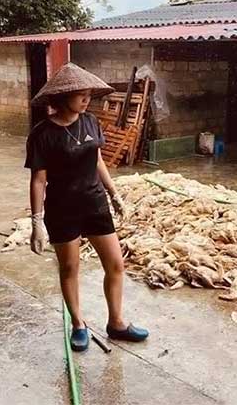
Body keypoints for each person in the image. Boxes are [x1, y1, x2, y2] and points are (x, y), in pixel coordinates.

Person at [25, 62, 148, 352]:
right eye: (80, 94)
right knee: (70, 268)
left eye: (89, 94)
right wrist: (36, 223)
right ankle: (78, 324)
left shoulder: (90, 122)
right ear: (62, 96)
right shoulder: (42, 134)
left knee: (116, 264)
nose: (86, 99)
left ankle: (116, 323)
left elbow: (97, 160)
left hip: (95, 204)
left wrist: (114, 195)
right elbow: (38, 180)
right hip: (62, 209)